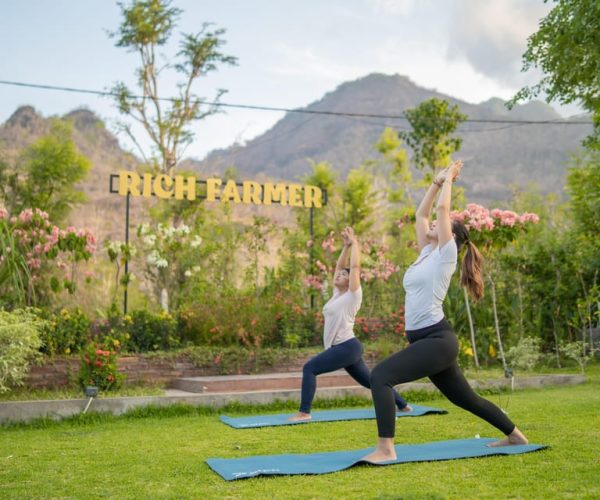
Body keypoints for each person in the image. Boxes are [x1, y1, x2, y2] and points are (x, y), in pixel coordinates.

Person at [362, 160, 528, 462]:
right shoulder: (427, 252)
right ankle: (516, 436)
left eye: (440, 226)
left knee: (381, 376)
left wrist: (450, 180)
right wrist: (436, 182)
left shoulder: (445, 255)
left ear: (450, 237)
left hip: (437, 340)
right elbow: (422, 213)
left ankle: (386, 449)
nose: (433, 225)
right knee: (466, 398)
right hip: (428, 342)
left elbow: (439, 212)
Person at [289, 227, 411, 421]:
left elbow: (354, 268)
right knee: (372, 381)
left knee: (309, 368)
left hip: (346, 346)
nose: (339, 276)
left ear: (351, 282)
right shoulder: (338, 295)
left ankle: (304, 412)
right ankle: (403, 405)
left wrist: (355, 244)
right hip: (347, 348)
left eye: (344, 276)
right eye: (338, 275)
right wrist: (345, 246)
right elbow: (340, 267)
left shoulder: (353, 295)